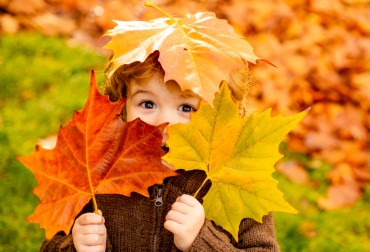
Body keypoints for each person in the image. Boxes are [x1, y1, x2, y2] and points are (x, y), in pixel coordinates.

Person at [40, 50, 279, 251]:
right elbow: (51, 242)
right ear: (122, 106)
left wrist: (201, 239)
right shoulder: (94, 172)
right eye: (148, 104)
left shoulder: (236, 181)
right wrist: (75, 246)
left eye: (186, 107)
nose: (164, 122)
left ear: (219, 117)